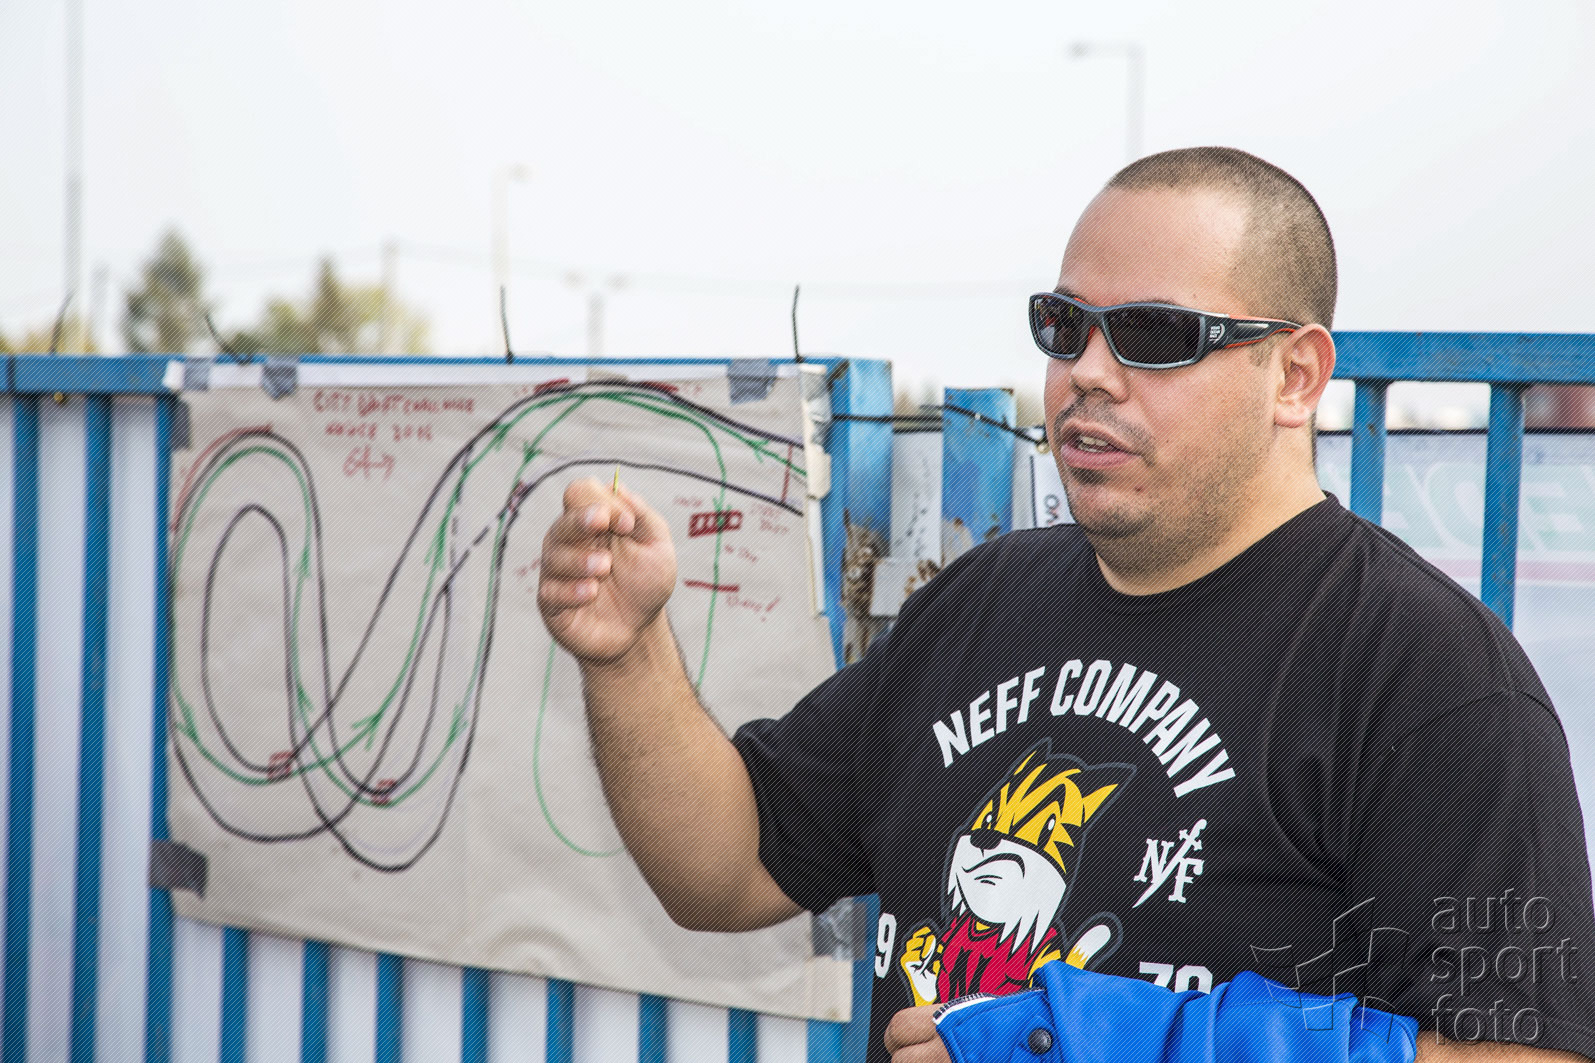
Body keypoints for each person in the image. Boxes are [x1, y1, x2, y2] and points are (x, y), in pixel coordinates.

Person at [536, 147, 1595, 1063]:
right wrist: (626, 654)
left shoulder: (1426, 674)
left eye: (1152, 333)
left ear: (1294, 375)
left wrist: (1117, 1038)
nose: (1088, 371)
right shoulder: (979, 600)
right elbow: (725, 870)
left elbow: (1522, 1049)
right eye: (1064, 325)